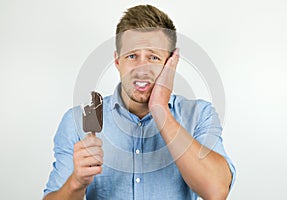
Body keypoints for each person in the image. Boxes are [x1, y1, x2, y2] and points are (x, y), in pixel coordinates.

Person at [43, 4, 235, 200]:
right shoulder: (76, 122)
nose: (142, 69)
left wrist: (160, 109)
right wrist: (76, 182)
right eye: (132, 56)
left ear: (171, 62)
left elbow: (216, 191)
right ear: (117, 61)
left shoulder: (199, 115)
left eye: (153, 57)